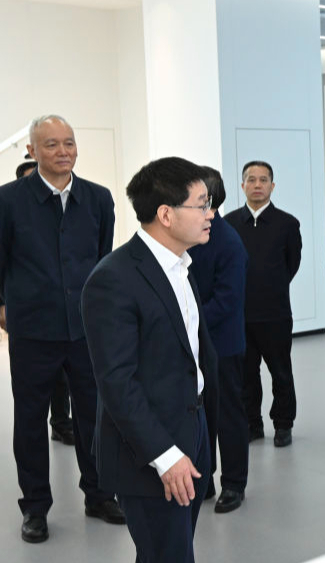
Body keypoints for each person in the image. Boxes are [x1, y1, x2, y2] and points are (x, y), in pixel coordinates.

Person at [81, 156, 219, 562]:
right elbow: (117, 383)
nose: (211, 214)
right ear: (166, 215)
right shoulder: (114, 279)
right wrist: (166, 455)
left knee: (173, 549)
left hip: (192, 428)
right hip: (150, 450)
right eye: (201, 204)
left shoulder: (181, 266)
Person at [0, 115, 124, 543]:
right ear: (32, 151)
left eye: (68, 142)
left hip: (86, 329)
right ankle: (35, 507)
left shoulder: (98, 198)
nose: (63, 151)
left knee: (94, 415)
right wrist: (3, 307)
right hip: (33, 330)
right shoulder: (8, 200)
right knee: (30, 421)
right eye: (51, 144)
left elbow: (103, 260)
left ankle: (99, 494)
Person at [224, 161, 301, 447]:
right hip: (240, 315)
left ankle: (283, 424)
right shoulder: (229, 224)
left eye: (263, 180)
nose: (257, 185)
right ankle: (252, 423)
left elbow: (292, 264)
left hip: (275, 313)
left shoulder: (287, 224)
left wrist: (272, 286)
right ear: (242, 185)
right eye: (251, 179)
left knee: (281, 372)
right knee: (246, 374)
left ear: (272, 185)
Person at [188, 166, 249, 513]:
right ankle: (205, 479)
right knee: (201, 415)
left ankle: (234, 483)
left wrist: (187, 322)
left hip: (222, 344)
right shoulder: (190, 236)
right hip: (194, 343)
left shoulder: (228, 242)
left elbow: (227, 300)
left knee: (228, 415)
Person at [13, 160, 74, 447]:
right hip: (32, 320)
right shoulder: (11, 207)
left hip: (71, 318)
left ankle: (60, 423)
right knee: (31, 403)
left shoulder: (81, 206)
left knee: (65, 380)